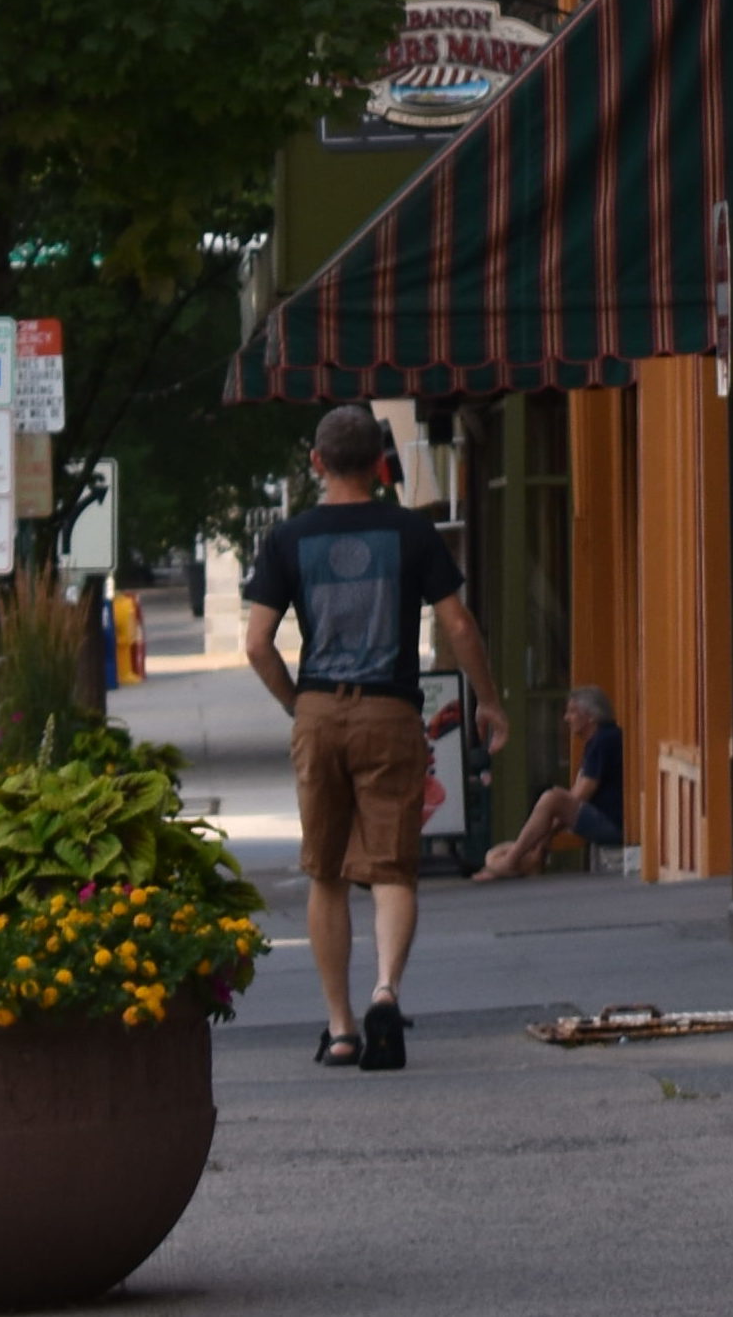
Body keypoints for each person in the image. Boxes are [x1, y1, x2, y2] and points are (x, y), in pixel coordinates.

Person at [241, 406, 511, 1069]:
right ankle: (385, 990)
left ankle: (339, 1028)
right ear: (381, 464)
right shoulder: (410, 532)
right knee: (392, 868)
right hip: (391, 713)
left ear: (317, 464)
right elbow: (460, 627)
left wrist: (298, 705)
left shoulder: (288, 539)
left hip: (321, 712)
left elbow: (257, 644)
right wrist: (490, 702)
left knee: (326, 872)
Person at [471, 684, 625, 880]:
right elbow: (573, 801)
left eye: (572, 712)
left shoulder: (605, 739)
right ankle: (522, 861)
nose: (566, 718)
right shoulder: (596, 742)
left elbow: (579, 796)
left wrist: (543, 836)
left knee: (552, 798)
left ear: (591, 716)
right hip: (605, 821)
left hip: (615, 826)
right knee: (493, 853)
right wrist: (542, 840)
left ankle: (510, 863)